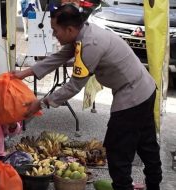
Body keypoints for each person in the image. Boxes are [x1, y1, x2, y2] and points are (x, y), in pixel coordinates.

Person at [12, 4, 162, 190]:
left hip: (132, 96)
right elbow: (58, 57)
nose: (53, 35)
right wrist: (23, 74)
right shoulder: (82, 34)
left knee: (117, 153)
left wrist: (41, 103)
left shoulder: (91, 45)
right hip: (145, 89)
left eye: (55, 30)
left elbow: (75, 85)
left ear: (69, 29)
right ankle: (154, 186)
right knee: (146, 144)